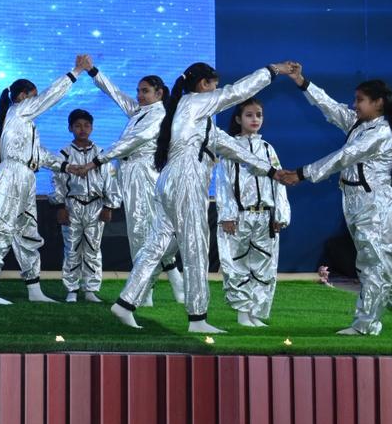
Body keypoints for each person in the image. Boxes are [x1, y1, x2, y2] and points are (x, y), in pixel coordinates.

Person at [110, 61, 296, 333]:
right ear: (203, 84)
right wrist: (273, 70)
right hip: (186, 183)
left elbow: (231, 147)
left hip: (170, 183)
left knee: (156, 246)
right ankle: (197, 319)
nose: (217, 90)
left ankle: (125, 303)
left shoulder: (194, 116)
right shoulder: (195, 102)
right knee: (195, 247)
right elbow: (237, 92)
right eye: (214, 85)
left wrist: (272, 171)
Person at [282, 67, 392, 336]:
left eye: (360, 100)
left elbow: (344, 156)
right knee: (377, 263)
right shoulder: (360, 125)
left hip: (376, 205)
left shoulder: (380, 132)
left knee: (373, 265)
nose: (354, 105)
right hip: (356, 203)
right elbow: (331, 107)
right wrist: (302, 82)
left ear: (378, 103)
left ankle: (365, 325)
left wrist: (302, 173)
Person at [0, 55, 94, 305]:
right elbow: (51, 96)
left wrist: (67, 166)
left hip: (26, 176)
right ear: (23, 96)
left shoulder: (25, 123)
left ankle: (34, 288)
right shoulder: (19, 110)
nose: (37, 100)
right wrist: (75, 71)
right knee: (2, 226)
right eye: (34, 95)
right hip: (12, 174)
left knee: (27, 230)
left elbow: (38, 154)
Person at [90, 66, 184, 306]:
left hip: (143, 174)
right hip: (133, 174)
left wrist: (98, 160)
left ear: (159, 93)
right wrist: (93, 72)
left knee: (142, 231)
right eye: (138, 91)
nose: (139, 95)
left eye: (145, 91)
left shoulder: (159, 114)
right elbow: (116, 94)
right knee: (147, 230)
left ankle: (146, 292)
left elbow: (134, 141)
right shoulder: (140, 112)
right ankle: (172, 279)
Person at [214, 98, 291, 327]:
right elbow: (223, 183)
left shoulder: (267, 148)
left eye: (259, 114)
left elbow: (279, 182)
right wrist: (227, 215)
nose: (255, 119)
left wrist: (280, 215)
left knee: (264, 265)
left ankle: (256, 313)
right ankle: (242, 313)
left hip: (265, 217)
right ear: (238, 119)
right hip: (239, 216)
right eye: (249, 115)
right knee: (236, 263)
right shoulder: (230, 148)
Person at [50, 108, 117, 302]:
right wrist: (60, 206)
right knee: (71, 247)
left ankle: (90, 290)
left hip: (96, 205)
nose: (82, 129)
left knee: (93, 248)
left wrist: (109, 206)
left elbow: (110, 181)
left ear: (92, 128)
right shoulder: (63, 155)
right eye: (78, 126)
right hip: (72, 205)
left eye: (86, 125)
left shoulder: (101, 155)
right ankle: (71, 289)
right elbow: (57, 182)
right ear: (70, 128)